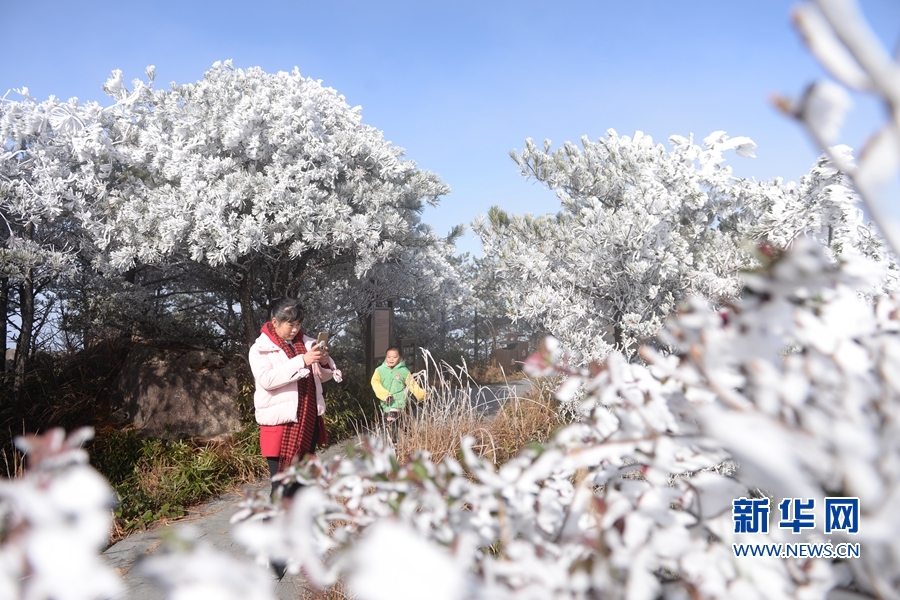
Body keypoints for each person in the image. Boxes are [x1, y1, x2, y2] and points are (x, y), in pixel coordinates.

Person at [249, 297, 341, 495]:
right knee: (281, 486)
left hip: (307, 421)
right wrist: (302, 361)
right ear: (275, 322)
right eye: (290, 324)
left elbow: (320, 378)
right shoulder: (260, 349)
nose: (295, 329)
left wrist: (324, 362)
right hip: (281, 425)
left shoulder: (307, 343)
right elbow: (267, 380)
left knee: (302, 483)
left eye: (298, 324)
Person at [370, 346, 424, 423]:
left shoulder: (404, 371)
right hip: (386, 402)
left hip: (399, 402)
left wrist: (421, 394)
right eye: (389, 357)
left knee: (397, 423)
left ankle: (400, 429)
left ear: (400, 359)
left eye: (394, 357)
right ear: (385, 358)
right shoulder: (379, 370)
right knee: (391, 426)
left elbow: (412, 384)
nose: (391, 359)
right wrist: (384, 395)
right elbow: (375, 383)